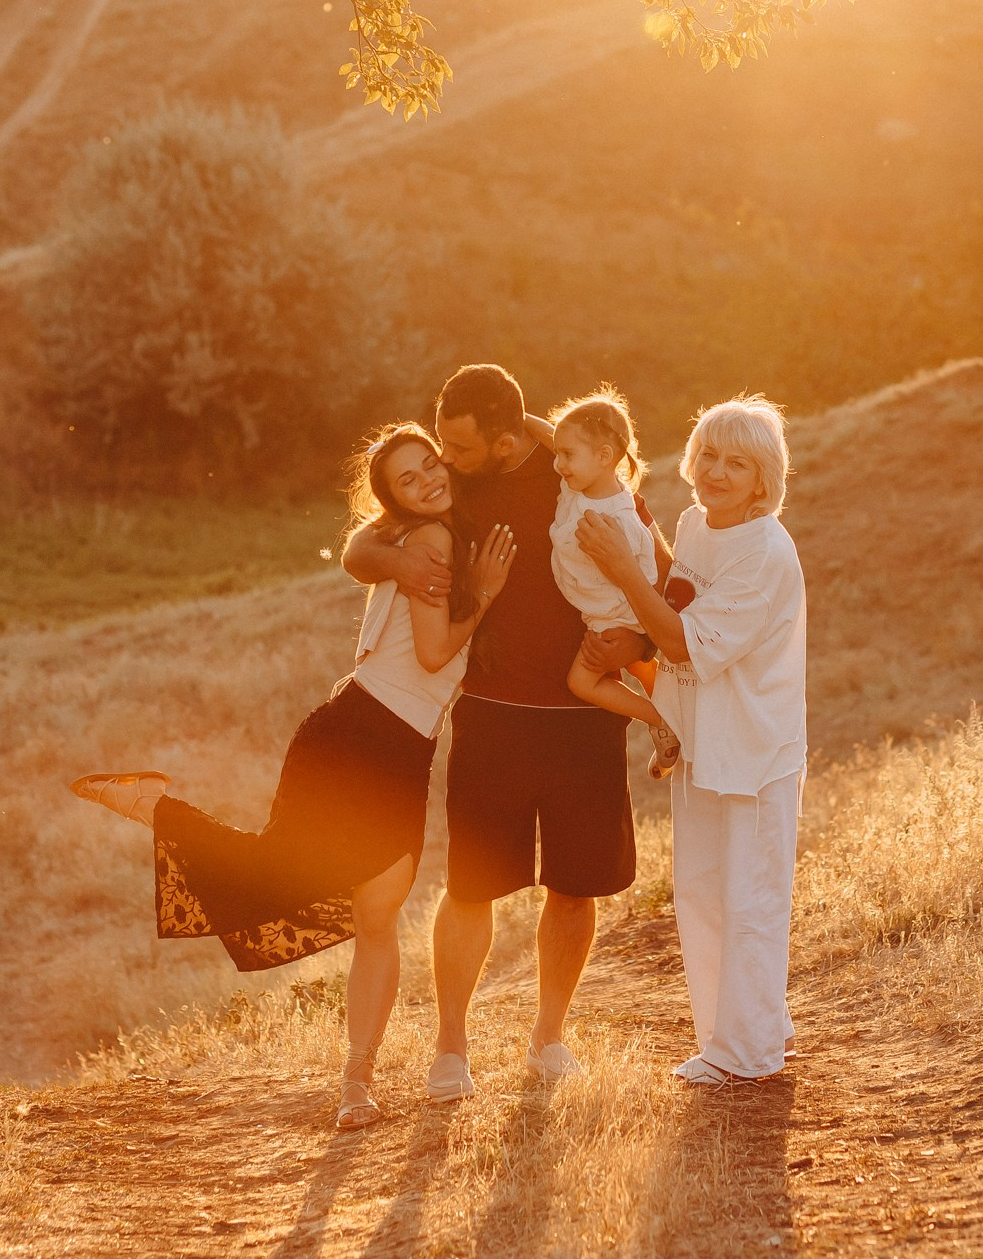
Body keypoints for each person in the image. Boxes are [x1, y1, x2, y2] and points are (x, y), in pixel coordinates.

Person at [75, 423, 514, 1131]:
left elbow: (364, 557)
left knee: (373, 915)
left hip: (401, 749)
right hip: (357, 737)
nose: (429, 477)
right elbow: (434, 656)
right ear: (397, 502)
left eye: (430, 463)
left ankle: (357, 1085)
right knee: (303, 886)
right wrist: (486, 594)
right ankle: (157, 808)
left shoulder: (428, 536)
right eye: (410, 478)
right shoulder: (430, 542)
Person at [342, 364, 666, 1098]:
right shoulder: (454, 488)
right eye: (443, 445)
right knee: (471, 888)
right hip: (491, 716)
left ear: (505, 434)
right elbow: (360, 551)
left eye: (459, 445)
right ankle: (450, 1046)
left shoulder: (575, 472)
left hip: (586, 716)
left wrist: (640, 646)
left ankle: (549, 1037)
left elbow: (658, 568)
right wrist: (396, 560)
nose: (446, 458)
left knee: (576, 888)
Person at [579, 396, 806, 1084]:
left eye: (738, 463)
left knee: (752, 900)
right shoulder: (693, 526)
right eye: (709, 454)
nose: (717, 471)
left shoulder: (767, 550)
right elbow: (669, 622)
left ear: (765, 480)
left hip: (754, 749)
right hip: (703, 745)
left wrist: (622, 566)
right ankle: (743, 1036)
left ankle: (748, 1056)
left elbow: (684, 639)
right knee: (703, 895)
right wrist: (668, 725)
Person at [547, 389, 682, 778]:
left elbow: (646, 571)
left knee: (582, 681)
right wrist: (518, 416)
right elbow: (554, 438)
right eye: (558, 453)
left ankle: (660, 719)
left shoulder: (616, 517)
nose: (558, 464)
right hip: (606, 611)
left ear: (604, 457)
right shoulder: (579, 485)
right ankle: (673, 718)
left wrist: (629, 627)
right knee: (643, 671)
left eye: (567, 455)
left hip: (614, 616)